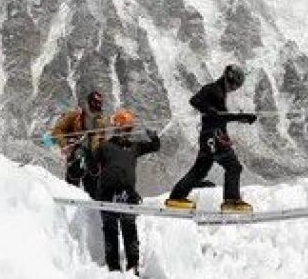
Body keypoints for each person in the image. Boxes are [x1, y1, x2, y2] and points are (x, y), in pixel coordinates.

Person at [164, 64, 257, 213]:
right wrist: (209, 110)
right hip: (213, 137)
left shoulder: (220, 92)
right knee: (233, 166)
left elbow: (221, 117)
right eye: (233, 85)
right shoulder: (212, 89)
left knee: (200, 171)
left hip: (211, 137)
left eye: (237, 87)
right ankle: (231, 200)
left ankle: (177, 197)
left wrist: (242, 117)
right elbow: (194, 100)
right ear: (227, 78)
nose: (234, 88)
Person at [92, 109, 160, 276]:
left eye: (129, 129)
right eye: (124, 129)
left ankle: (133, 266)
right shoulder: (105, 147)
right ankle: (113, 267)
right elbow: (92, 162)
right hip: (107, 194)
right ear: (116, 129)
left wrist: (153, 136)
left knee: (129, 229)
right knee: (110, 230)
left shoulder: (135, 147)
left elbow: (154, 146)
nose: (127, 133)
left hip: (128, 194)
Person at [51, 91, 109, 198]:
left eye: (100, 103)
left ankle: (91, 212)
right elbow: (57, 131)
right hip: (76, 156)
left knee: (93, 191)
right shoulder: (75, 115)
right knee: (72, 187)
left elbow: (102, 140)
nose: (97, 105)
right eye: (95, 102)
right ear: (89, 102)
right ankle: (69, 209)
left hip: (93, 159)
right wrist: (65, 145)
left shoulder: (100, 121)